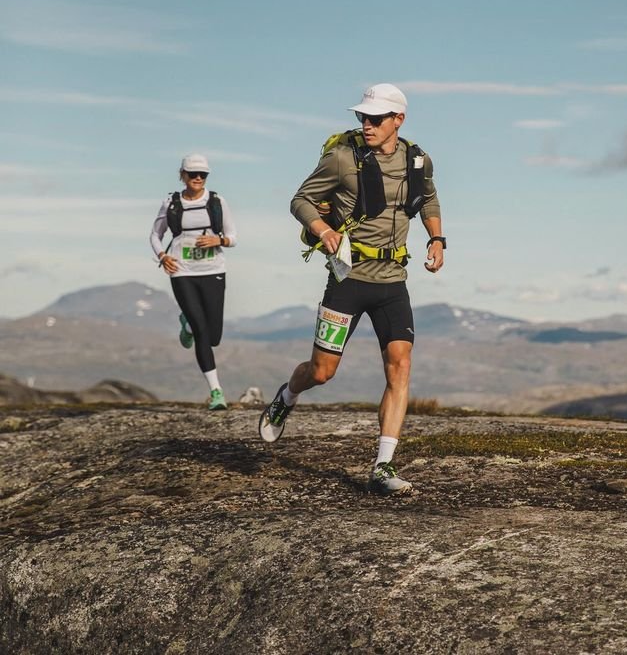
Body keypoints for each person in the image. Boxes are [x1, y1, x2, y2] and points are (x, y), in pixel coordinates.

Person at [259, 83, 445, 496]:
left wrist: (437, 239)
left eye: (376, 118)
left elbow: (430, 200)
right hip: (348, 278)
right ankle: (287, 396)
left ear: (399, 119)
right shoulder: (343, 158)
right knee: (322, 372)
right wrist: (322, 229)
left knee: (400, 365)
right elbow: (300, 200)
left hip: (393, 280)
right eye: (363, 117)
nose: (367, 125)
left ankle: (383, 465)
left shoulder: (418, 160)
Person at [150, 154, 237, 411]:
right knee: (202, 332)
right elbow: (155, 235)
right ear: (183, 175)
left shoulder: (217, 201)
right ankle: (216, 392)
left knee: (214, 336)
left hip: (213, 269)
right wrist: (163, 256)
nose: (198, 178)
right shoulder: (171, 203)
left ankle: (186, 323)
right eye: (192, 174)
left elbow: (233, 236)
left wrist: (218, 240)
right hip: (182, 271)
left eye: (203, 175)